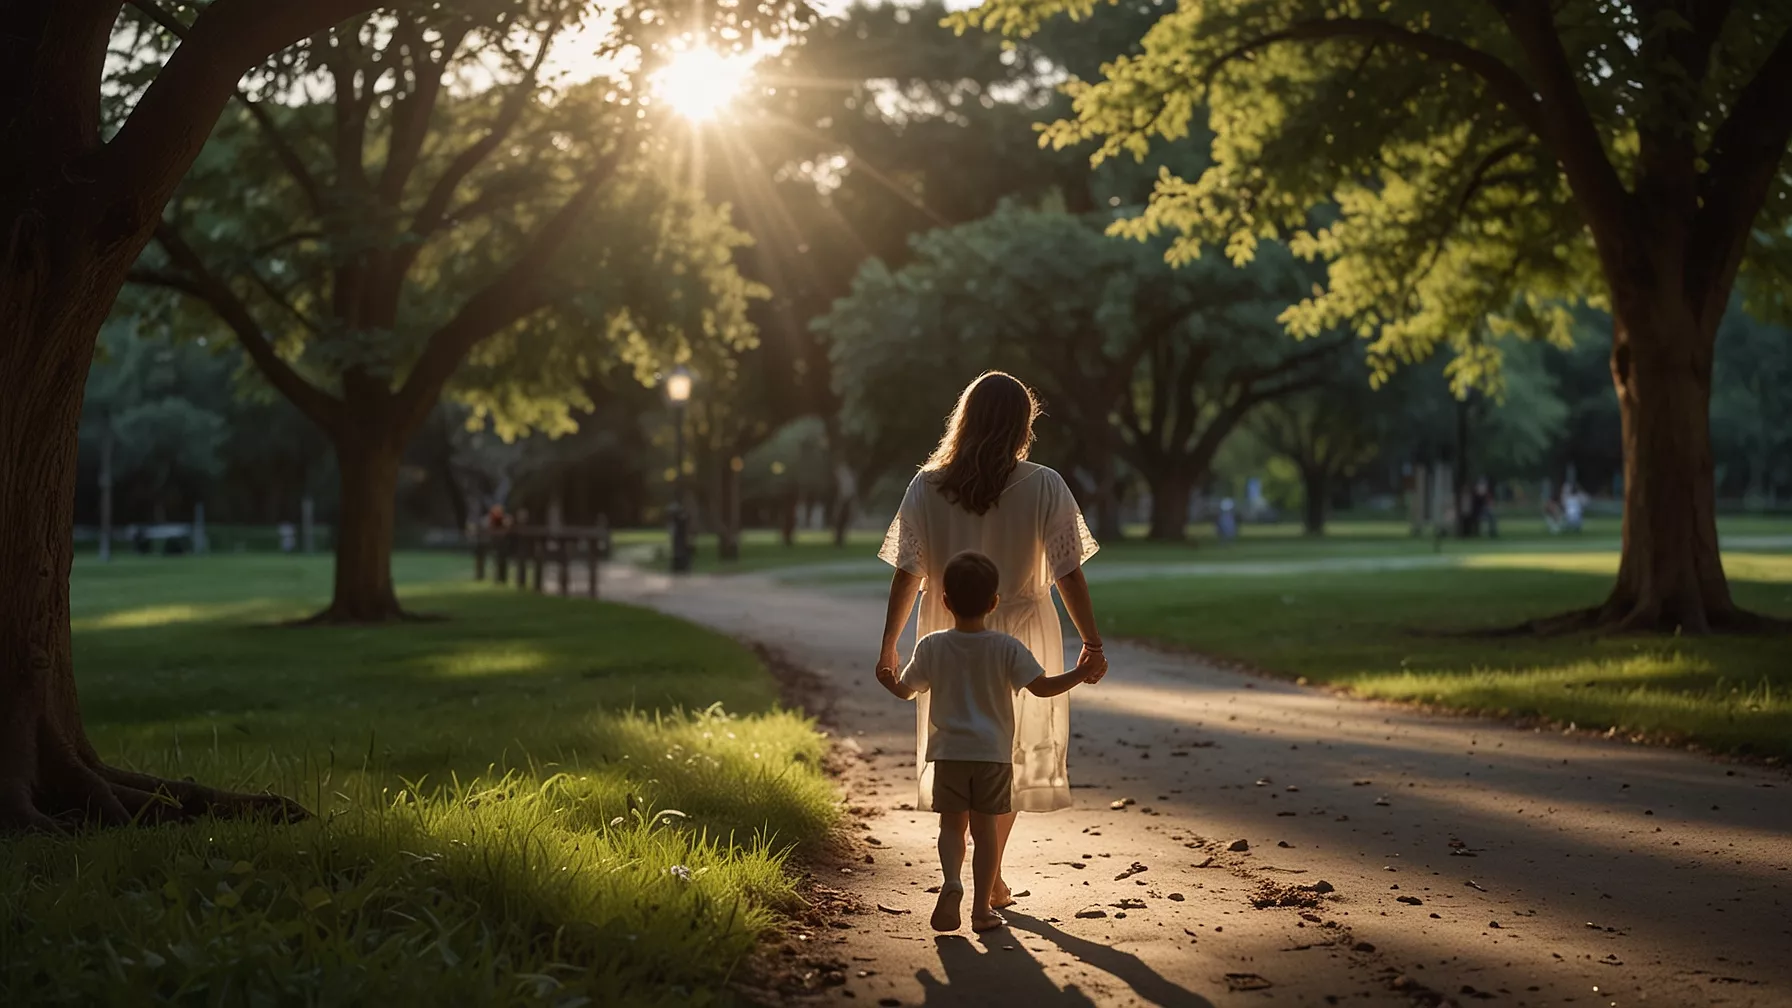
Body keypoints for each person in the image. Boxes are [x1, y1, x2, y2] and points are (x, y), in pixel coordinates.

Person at [875, 371, 1105, 914]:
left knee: (962, 748)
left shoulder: (926, 486)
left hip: (947, 630)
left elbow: (907, 573)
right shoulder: (1045, 484)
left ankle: (973, 878)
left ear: (965, 419)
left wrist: (889, 645)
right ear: (1024, 424)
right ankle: (991, 879)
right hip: (1024, 629)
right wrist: (1091, 642)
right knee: (1008, 759)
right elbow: (1069, 572)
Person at [877, 551, 1105, 933]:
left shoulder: (931, 646)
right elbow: (1043, 688)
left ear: (945, 601)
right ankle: (981, 909)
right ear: (994, 602)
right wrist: (1080, 673)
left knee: (951, 827)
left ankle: (951, 882)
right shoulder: (1006, 647)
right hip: (993, 758)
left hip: (947, 755)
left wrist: (891, 682)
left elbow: (909, 691)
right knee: (985, 834)